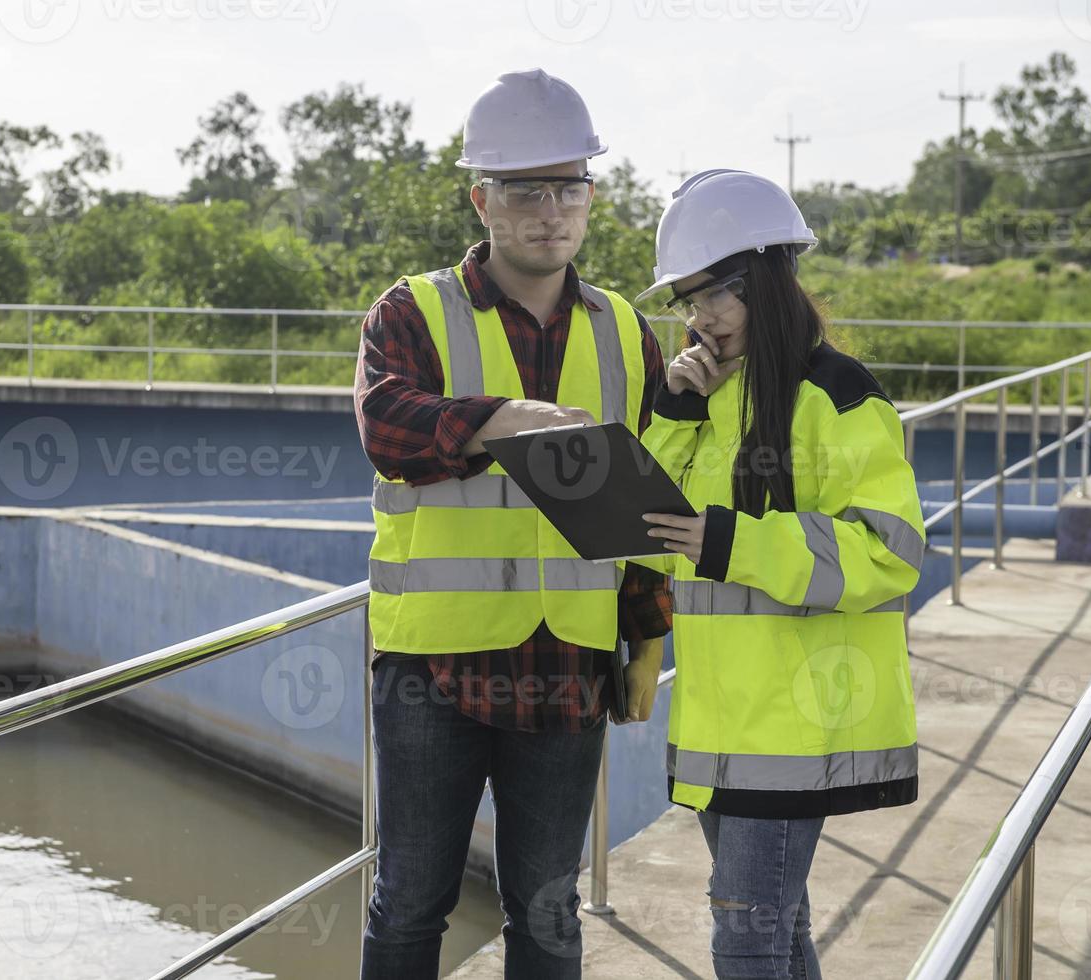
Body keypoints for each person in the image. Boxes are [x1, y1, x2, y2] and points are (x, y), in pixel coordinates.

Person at [353, 68, 672, 978]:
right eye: (523, 190)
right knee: (411, 901)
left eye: (566, 187)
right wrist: (499, 421)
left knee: (548, 910)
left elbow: (647, 502)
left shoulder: (622, 331)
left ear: (590, 196)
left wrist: (644, 634)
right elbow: (385, 428)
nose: (548, 212)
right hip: (432, 672)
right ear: (479, 198)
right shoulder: (412, 311)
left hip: (566, 665)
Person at [635, 169, 925, 979]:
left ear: (765, 276)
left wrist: (732, 543)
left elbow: (888, 550)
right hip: (721, 722)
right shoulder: (712, 399)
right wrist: (674, 411)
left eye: (712, 295)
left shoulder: (837, 396)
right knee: (776, 934)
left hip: (799, 721)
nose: (697, 318)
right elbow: (655, 535)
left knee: (746, 938)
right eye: (685, 301)